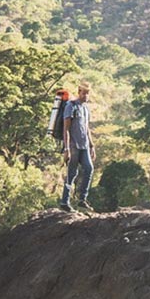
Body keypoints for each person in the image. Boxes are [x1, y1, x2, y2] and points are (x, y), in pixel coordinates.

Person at [59, 82, 96, 212]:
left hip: (84, 145)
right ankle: (64, 202)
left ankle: (82, 200)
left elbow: (87, 128)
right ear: (79, 92)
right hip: (74, 146)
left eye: (88, 93)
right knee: (72, 173)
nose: (86, 95)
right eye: (84, 93)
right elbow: (66, 129)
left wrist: (92, 146)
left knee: (89, 168)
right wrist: (67, 148)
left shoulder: (85, 108)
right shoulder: (71, 106)